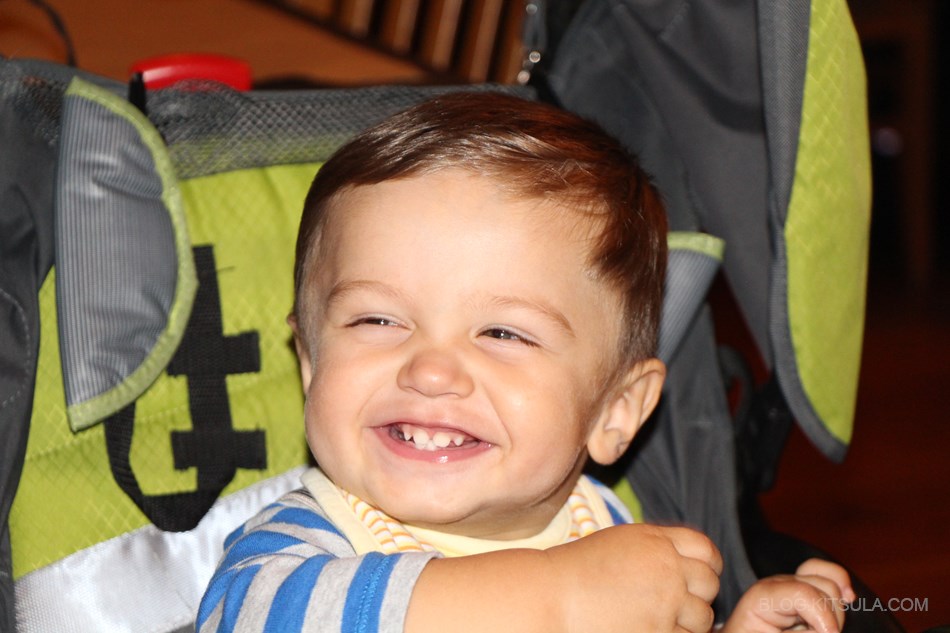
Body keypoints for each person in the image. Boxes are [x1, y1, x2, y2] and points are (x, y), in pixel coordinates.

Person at [196, 91, 853, 633]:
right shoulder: (300, 552)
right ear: (310, 364)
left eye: (503, 332)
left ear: (616, 411)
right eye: (378, 320)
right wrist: (558, 598)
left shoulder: (606, 532)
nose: (430, 371)